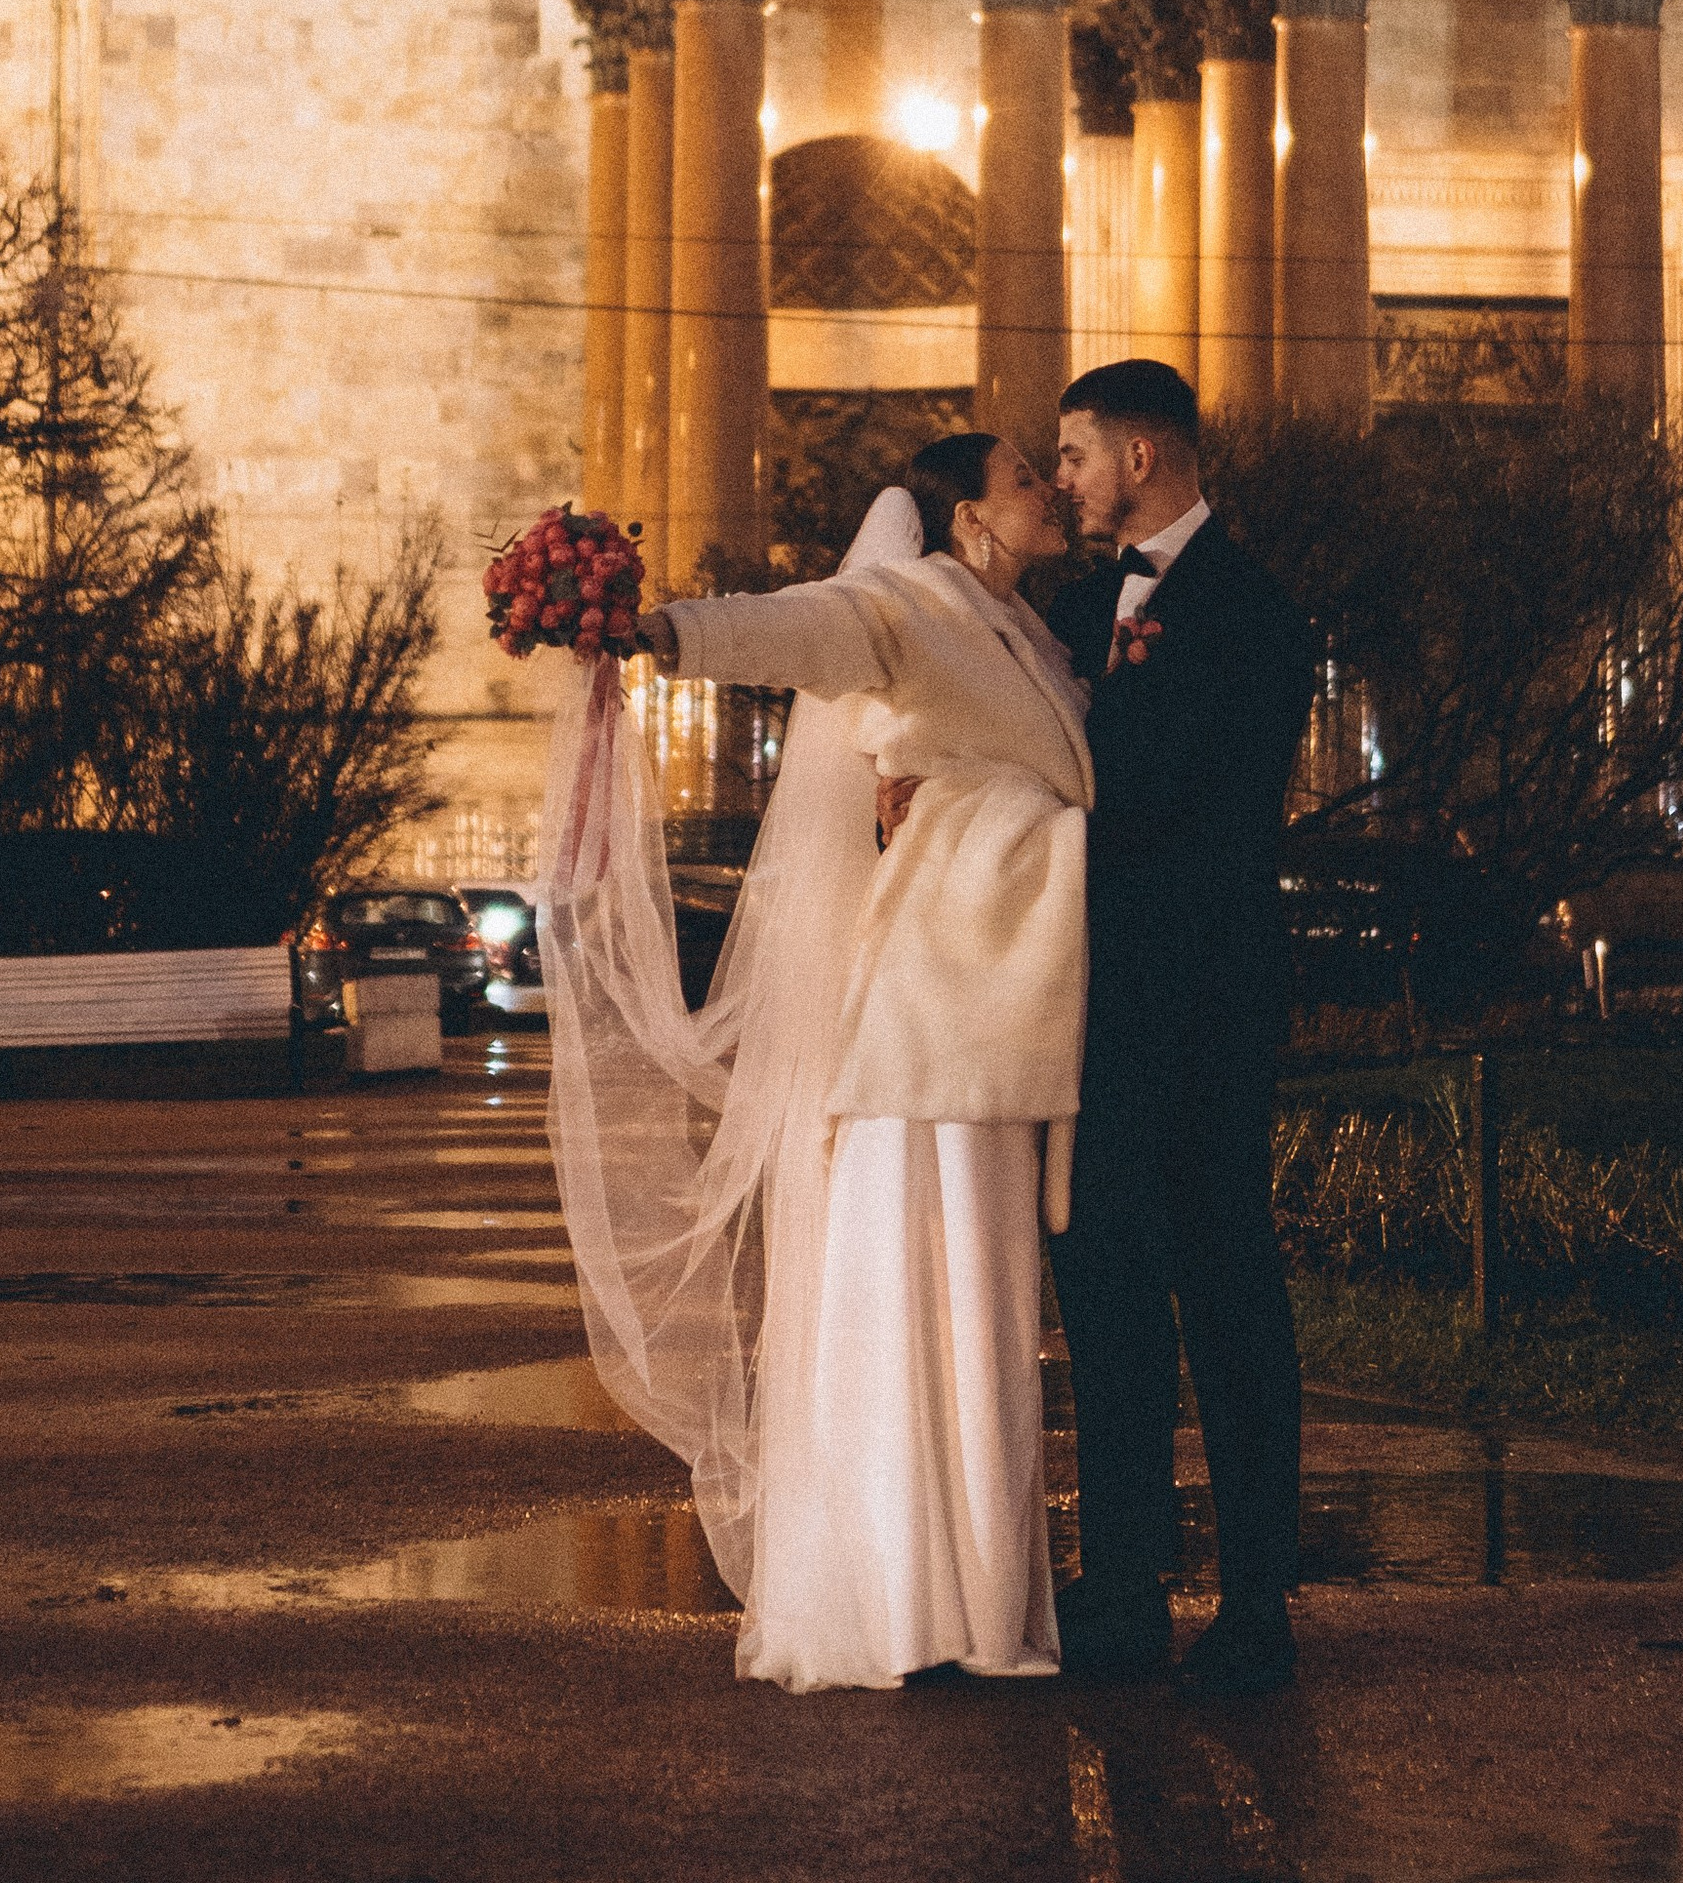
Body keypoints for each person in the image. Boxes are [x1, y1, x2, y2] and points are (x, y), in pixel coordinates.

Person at [536, 434, 1090, 1692]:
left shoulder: (1030, 634)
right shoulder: (909, 605)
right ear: (967, 519)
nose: (1049, 490)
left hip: (992, 999)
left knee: (983, 1301)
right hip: (931, 1014)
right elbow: (795, 627)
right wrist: (657, 632)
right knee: (932, 1288)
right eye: (1022, 477)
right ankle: (902, 1601)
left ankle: (967, 1592)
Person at [1042, 359, 1316, 1696]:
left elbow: (1189, 798)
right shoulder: (1071, 607)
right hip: (1087, 1008)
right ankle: (1123, 1585)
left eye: (1076, 454)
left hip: (1204, 1004)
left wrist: (1039, 802)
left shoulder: (1256, 615)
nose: (1063, 482)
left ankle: (1257, 1600)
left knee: (1224, 1288)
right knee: (1102, 1291)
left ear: (1141, 456)